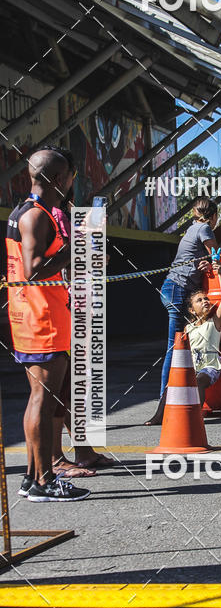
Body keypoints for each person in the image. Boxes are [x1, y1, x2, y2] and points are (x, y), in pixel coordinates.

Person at [6, 149, 89, 501]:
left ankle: (31, 477)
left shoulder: (26, 211)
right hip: (42, 321)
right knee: (43, 400)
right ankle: (43, 481)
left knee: (37, 400)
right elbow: (34, 268)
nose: (73, 181)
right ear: (60, 179)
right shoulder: (35, 216)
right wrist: (76, 246)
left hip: (33, 317)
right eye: (71, 175)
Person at [39, 145, 111, 478]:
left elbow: (82, 260)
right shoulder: (46, 216)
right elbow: (46, 266)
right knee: (60, 388)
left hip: (77, 307)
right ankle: (55, 459)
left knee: (77, 385)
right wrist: (83, 249)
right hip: (57, 311)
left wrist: (95, 253)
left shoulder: (64, 214)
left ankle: (82, 450)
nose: (71, 185)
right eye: (70, 177)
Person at [145, 196, 218, 425]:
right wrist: (215, 261)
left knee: (182, 348)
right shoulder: (204, 227)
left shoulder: (190, 229)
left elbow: (203, 258)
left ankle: (175, 400)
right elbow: (217, 254)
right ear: (213, 216)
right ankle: (164, 405)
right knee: (174, 350)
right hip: (178, 290)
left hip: (172, 288)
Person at [184, 257, 221, 404]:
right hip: (193, 368)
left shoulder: (214, 322)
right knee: (170, 386)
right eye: (200, 300)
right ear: (192, 310)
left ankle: (197, 415)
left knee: (198, 382)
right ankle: (159, 416)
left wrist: (220, 274)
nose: (205, 301)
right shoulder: (188, 328)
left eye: (206, 299)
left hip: (210, 368)